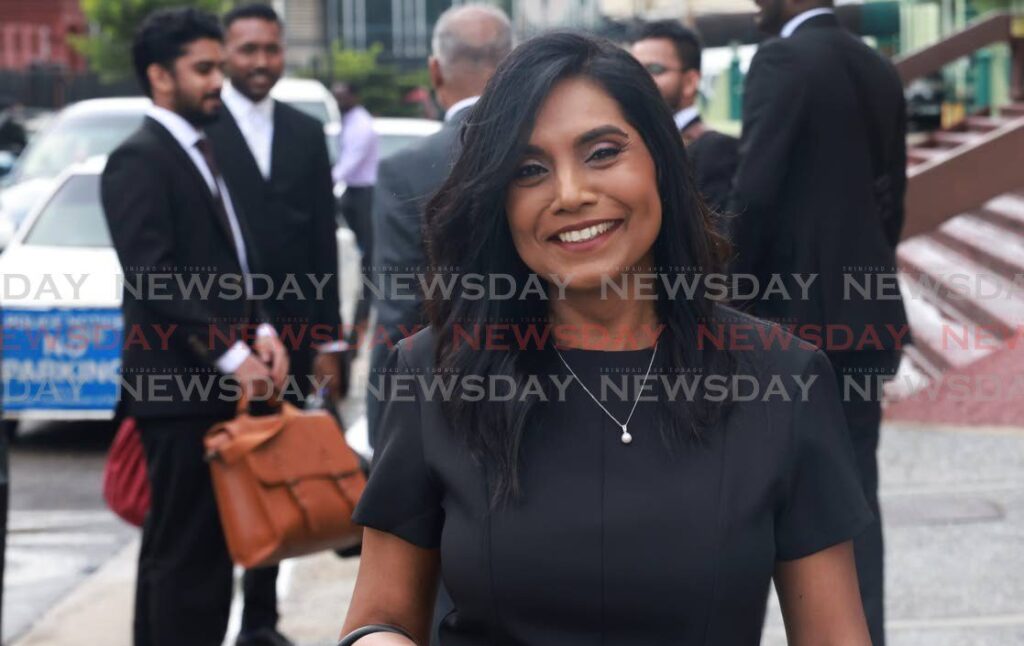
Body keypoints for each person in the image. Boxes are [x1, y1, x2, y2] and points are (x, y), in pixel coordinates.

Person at [340, 32, 873, 645]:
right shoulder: (433, 372)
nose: (570, 194)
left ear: (661, 164)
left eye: (602, 153)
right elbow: (377, 617)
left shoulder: (783, 377)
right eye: (529, 169)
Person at [101, 9, 289, 646]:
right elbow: (153, 277)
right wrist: (233, 355)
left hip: (211, 388)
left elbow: (233, 259)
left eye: (218, 66)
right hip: (178, 395)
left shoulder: (198, 149)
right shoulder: (139, 159)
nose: (220, 80)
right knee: (190, 565)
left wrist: (263, 330)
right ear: (159, 75)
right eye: (204, 68)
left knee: (185, 559)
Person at [729, 2, 910, 643]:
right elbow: (893, 199)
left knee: (746, 494)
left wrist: (725, 302)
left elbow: (754, 194)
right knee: (855, 499)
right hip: (868, 321)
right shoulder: (876, 65)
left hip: (794, 325)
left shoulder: (781, 59)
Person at [205, 4, 341, 645]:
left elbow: (322, 240)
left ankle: (261, 621)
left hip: (289, 333)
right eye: (247, 50)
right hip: (211, 333)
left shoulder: (304, 131)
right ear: (225, 54)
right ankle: (204, 616)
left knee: (276, 473)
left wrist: (327, 339)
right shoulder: (199, 129)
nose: (261, 62)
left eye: (271, 49)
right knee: (216, 473)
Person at [366, 2, 513, 449]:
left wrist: (382, 428)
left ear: (435, 71)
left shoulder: (405, 170)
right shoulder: (549, 150)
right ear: (513, 62)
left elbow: (399, 310)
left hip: (447, 404)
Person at [630, 20, 737, 214]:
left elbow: (717, 235)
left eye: (654, 70)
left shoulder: (714, 148)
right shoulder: (630, 143)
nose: (640, 80)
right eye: (634, 70)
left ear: (690, 81)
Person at [332, 81, 378, 338]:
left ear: (353, 95)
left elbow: (350, 161)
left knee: (366, 252)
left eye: (342, 95)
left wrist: (327, 181)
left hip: (363, 193)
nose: (338, 100)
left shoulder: (360, 124)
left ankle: (365, 304)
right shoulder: (349, 121)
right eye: (335, 96)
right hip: (352, 193)